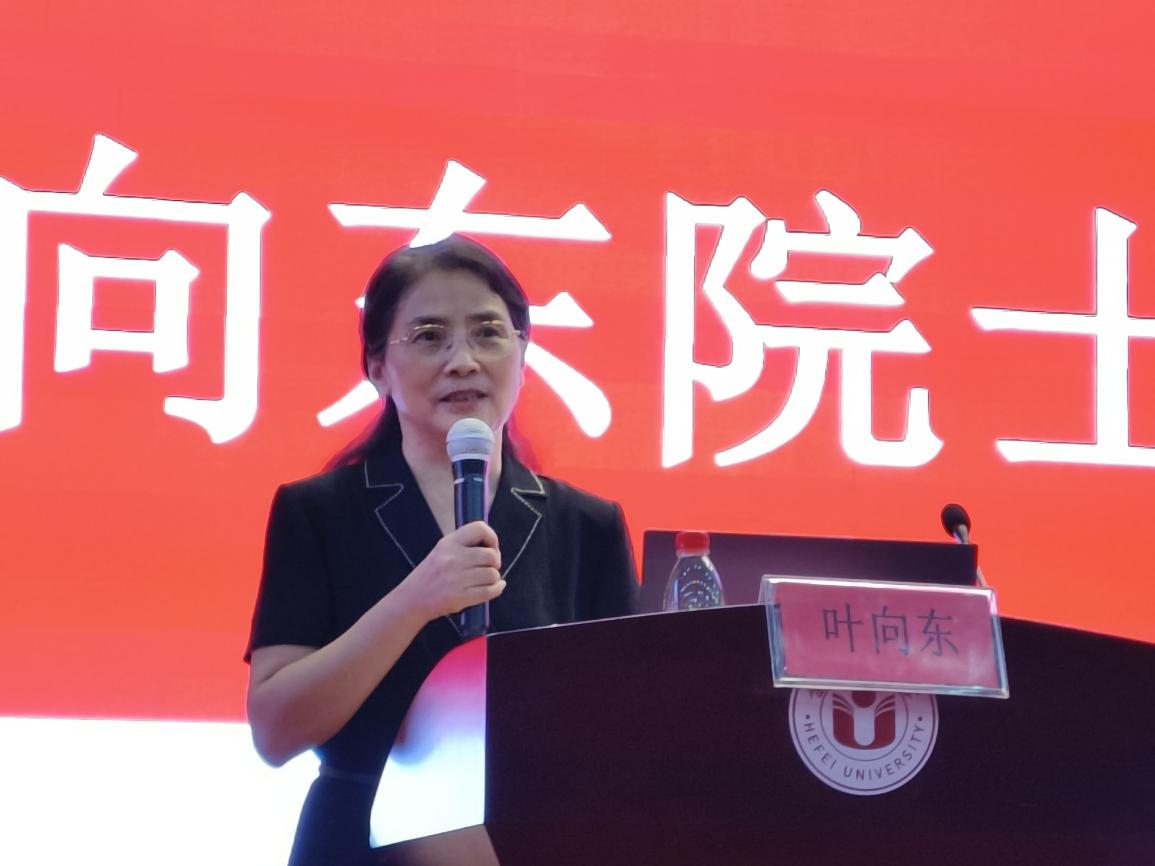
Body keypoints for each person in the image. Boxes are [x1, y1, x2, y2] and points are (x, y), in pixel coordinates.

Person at [244, 236, 639, 866]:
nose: (463, 360)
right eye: (429, 337)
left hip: (533, 842)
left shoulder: (586, 525)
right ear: (378, 367)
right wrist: (414, 601)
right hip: (359, 839)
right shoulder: (317, 511)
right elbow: (275, 731)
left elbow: (625, 733)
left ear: (523, 353)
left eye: (488, 333)